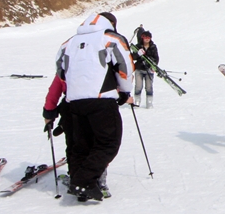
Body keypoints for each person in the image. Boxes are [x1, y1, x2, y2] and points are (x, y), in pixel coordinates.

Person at [53, 12, 133, 202]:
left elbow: (60, 71)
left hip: (74, 100)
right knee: (108, 143)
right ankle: (84, 181)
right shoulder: (110, 38)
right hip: (101, 98)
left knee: (81, 144)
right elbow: (125, 66)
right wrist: (124, 91)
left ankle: (80, 181)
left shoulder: (69, 42)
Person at [132, 30, 159, 108]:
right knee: (138, 86)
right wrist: (138, 54)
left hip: (149, 70)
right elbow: (133, 57)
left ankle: (149, 103)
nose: (147, 39)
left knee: (149, 86)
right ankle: (137, 101)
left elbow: (156, 58)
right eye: (145, 37)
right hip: (139, 69)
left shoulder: (153, 47)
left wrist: (153, 66)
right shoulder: (138, 46)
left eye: (148, 37)